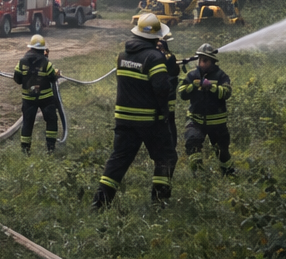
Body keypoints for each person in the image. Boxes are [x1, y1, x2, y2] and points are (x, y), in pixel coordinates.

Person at [92, 13, 177, 209]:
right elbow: (162, 88)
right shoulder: (154, 58)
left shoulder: (122, 56)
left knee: (118, 161)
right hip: (149, 121)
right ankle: (159, 203)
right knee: (166, 157)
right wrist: (164, 112)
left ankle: (99, 204)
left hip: (124, 119)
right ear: (155, 37)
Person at [178, 42, 234, 174]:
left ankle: (229, 174)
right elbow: (182, 93)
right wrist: (193, 86)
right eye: (200, 60)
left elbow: (226, 93)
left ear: (212, 62)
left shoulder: (221, 76)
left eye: (205, 60)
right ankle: (199, 174)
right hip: (195, 120)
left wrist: (211, 87)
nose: (201, 63)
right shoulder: (192, 76)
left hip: (217, 123)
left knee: (222, 151)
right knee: (193, 144)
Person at [13, 34, 60, 154]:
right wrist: (56, 74)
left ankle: (25, 150)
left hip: (28, 99)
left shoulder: (21, 62)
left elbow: (17, 79)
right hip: (46, 99)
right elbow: (52, 78)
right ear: (43, 49)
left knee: (27, 123)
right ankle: (50, 148)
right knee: (51, 120)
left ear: (30, 47)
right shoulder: (46, 63)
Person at [158, 27, 183, 165]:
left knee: (170, 121)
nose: (159, 49)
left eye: (161, 47)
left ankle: (171, 146)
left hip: (168, 97)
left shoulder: (169, 58)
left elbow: (174, 75)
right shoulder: (152, 58)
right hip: (156, 99)